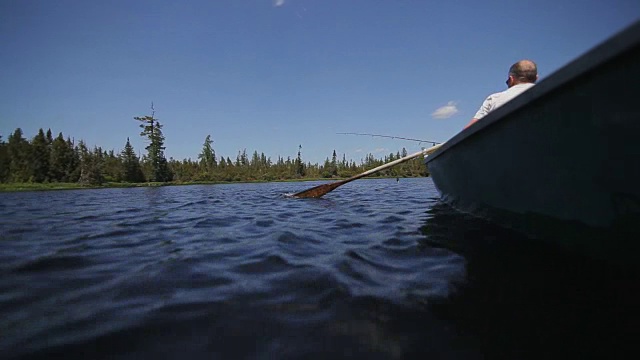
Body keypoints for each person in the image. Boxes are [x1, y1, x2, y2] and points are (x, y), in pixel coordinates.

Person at [465, 59, 538, 129]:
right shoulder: (545, 94)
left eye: (507, 82)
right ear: (536, 78)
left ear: (511, 79)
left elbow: (467, 131)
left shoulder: (493, 99)